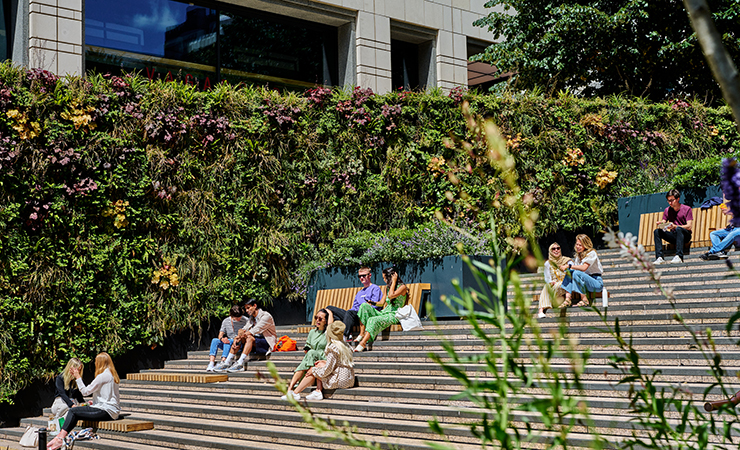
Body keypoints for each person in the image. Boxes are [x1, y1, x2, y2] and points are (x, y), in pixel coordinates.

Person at [47, 352, 120, 450]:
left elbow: (85, 391)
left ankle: (59, 438)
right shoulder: (111, 375)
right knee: (75, 412)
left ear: (100, 363)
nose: (95, 364)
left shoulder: (102, 376)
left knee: (73, 411)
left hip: (106, 410)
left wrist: (78, 377)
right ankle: (59, 437)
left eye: (96, 361)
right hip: (111, 410)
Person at [283, 321, 355, 401]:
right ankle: (317, 392)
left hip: (340, 380)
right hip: (349, 379)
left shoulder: (333, 348)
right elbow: (339, 363)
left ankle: (295, 393)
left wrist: (313, 371)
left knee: (316, 368)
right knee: (320, 364)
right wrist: (323, 363)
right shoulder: (345, 346)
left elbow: (327, 370)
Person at [354, 267, 408, 352]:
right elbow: (382, 302)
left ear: (391, 277)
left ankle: (363, 343)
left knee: (373, 320)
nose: (384, 280)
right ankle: (362, 333)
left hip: (394, 314)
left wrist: (394, 281)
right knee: (364, 306)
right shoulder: (387, 288)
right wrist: (372, 303)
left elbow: (390, 295)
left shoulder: (402, 287)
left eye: (385, 278)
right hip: (384, 312)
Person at [281, 309, 328, 400]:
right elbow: (308, 345)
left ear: (326, 321)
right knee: (310, 353)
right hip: (311, 357)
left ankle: (292, 391)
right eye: (316, 318)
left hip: (322, 358)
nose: (317, 320)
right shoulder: (312, 332)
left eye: (320, 319)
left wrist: (328, 311)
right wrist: (307, 349)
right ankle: (290, 390)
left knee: (311, 353)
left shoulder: (327, 334)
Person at [325, 266, 384, 341]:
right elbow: (354, 308)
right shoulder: (360, 293)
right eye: (359, 276)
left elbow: (374, 306)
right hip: (355, 315)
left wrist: (352, 313)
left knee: (350, 313)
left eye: (364, 275)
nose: (361, 278)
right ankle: (345, 332)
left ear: (369, 275)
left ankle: (344, 335)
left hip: (366, 315)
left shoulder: (375, 289)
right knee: (329, 309)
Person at [221, 299, 277, 372]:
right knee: (241, 338)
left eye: (248, 308)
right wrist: (237, 337)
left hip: (266, 342)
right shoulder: (251, 318)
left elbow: (255, 330)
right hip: (255, 342)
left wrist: (241, 335)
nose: (247, 311)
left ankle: (240, 363)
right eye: (246, 308)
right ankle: (226, 362)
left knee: (249, 337)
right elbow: (244, 329)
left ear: (255, 306)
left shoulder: (266, 316)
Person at [560, 234, 604, 308]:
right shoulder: (578, 256)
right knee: (570, 272)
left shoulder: (592, 253)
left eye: (580, 245)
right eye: (577, 244)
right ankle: (567, 299)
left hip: (596, 282)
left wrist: (569, 266)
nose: (577, 247)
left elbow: (584, 268)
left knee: (576, 272)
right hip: (585, 283)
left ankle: (584, 299)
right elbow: (574, 269)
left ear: (585, 245)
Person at [654, 189, 693, 264]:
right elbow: (664, 221)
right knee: (657, 232)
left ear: (678, 199)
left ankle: (679, 256)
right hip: (674, 235)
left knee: (679, 229)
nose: (670, 203)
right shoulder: (667, 210)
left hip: (685, 235)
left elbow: (689, 226)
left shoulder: (687, 209)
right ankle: (659, 257)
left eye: (672, 200)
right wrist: (661, 224)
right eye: (668, 200)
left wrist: (676, 226)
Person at [207, 305, 249, 372]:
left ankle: (224, 361)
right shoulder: (226, 321)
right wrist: (222, 339)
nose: (239, 319)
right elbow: (220, 334)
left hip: (238, 344)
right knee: (215, 340)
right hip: (229, 343)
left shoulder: (246, 320)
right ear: (232, 316)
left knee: (228, 341)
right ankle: (211, 364)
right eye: (236, 317)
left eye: (240, 317)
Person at [537, 243, 571, 318]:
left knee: (559, 284)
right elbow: (547, 278)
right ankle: (541, 310)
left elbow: (572, 271)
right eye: (553, 249)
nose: (556, 250)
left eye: (558, 248)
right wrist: (550, 282)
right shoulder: (548, 263)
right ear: (550, 251)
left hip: (565, 284)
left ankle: (542, 308)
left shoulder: (567, 261)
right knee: (547, 285)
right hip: (554, 285)